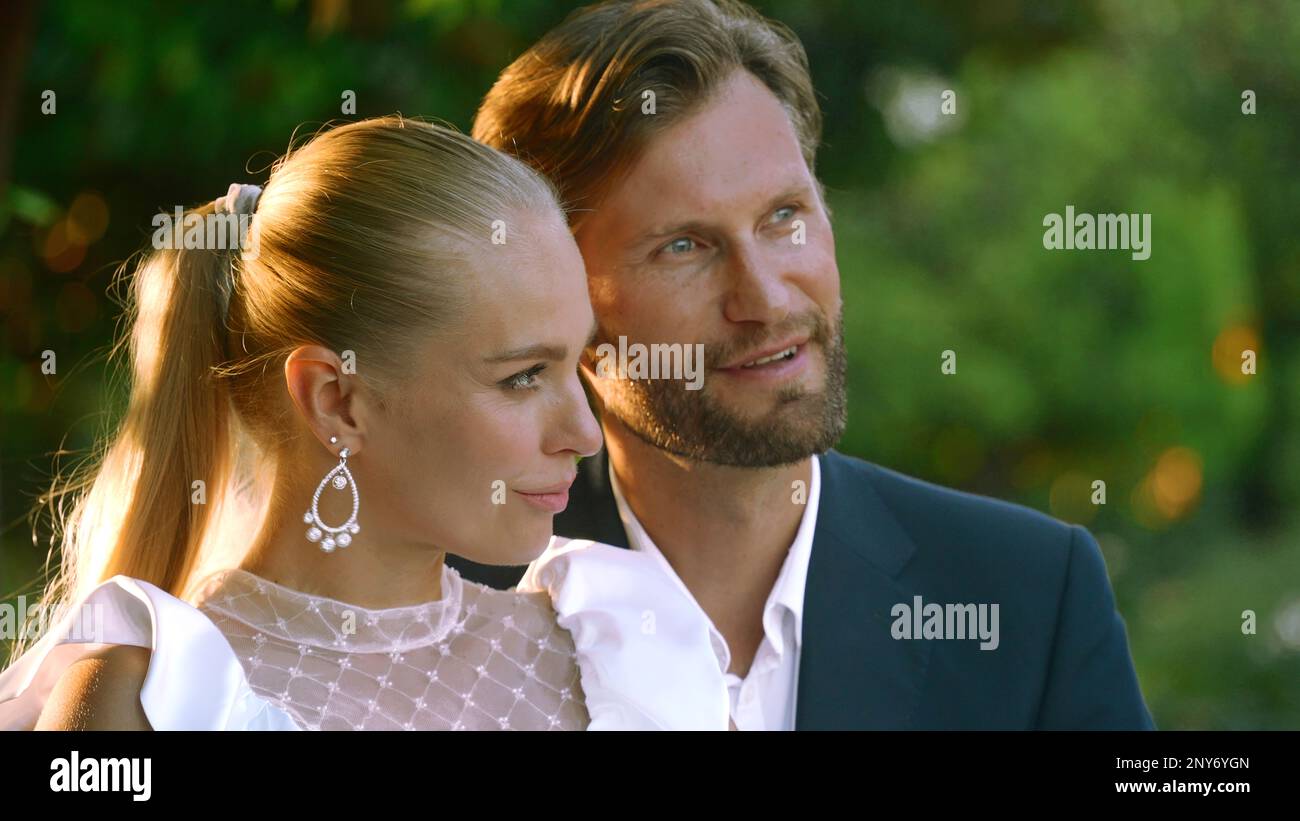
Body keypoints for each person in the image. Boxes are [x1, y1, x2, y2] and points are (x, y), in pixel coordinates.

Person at [451, 0, 1156, 730]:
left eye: (784, 216)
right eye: (683, 247)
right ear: (554, 305)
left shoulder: (1029, 597)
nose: (764, 298)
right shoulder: (439, 613)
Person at [0, 116, 730, 731]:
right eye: (522, 377)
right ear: (336, 401)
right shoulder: (152, 700)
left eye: (575, 363)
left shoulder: (629, 652)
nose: (584, 432)